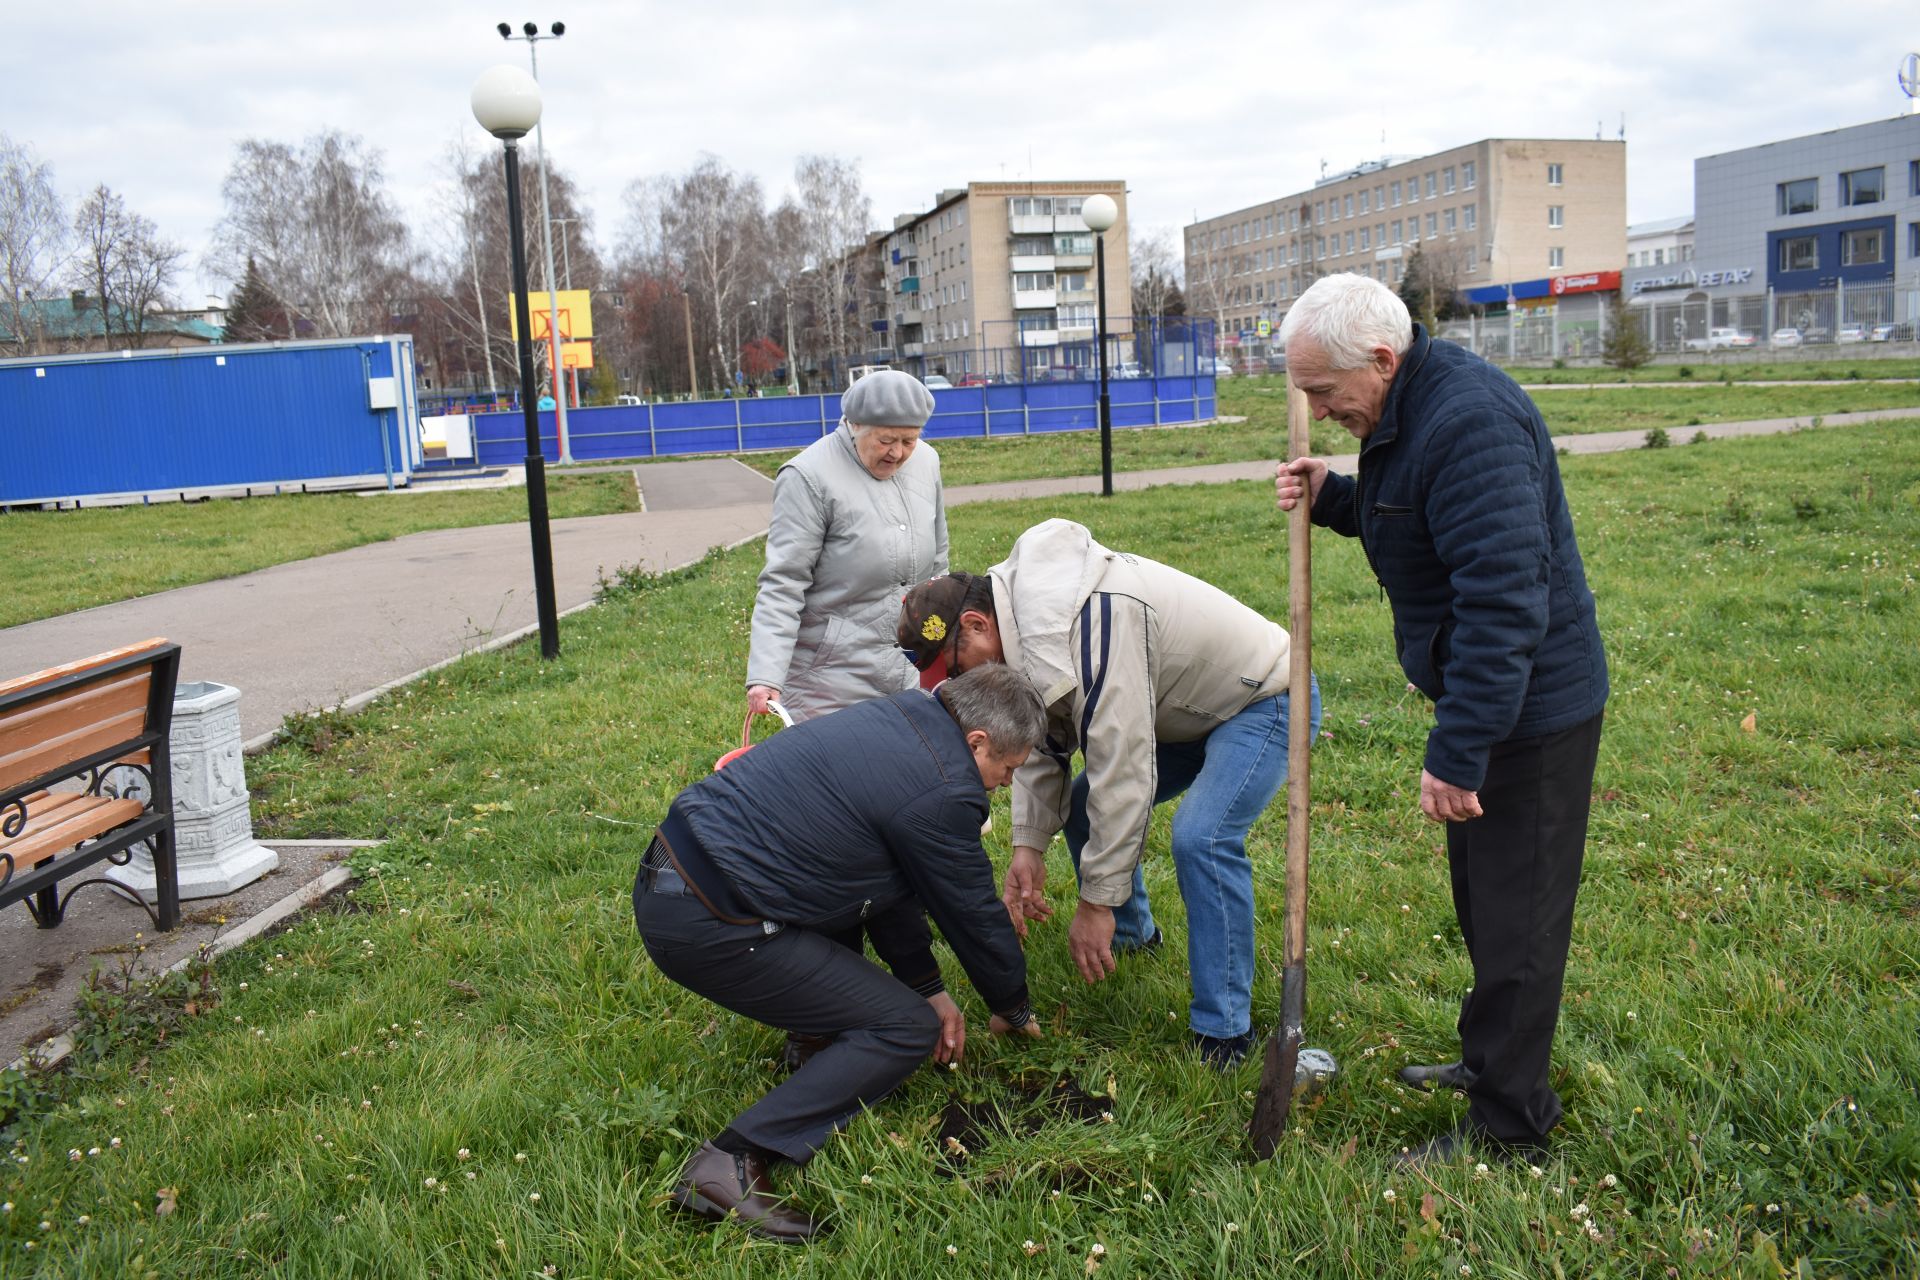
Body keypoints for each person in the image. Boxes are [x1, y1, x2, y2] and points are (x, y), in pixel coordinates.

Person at [1273, 273, 1608, 1163]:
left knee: (1519, 926)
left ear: (1381, 360)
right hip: (1489, 704)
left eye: (1322, 391)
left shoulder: (1468, 423)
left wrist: (1460, 751)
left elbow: (1504, 604)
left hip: (1526, 714)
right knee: (1484, 905)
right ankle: (1489, 1063)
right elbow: (1415, 515)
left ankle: (1511, 1126)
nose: (1315, 406)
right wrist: (1334, 495)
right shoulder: (1405, 411)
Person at [635, 664, 1046, 1243]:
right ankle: (729, 1163)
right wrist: (1013, 1004)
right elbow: (971, 910)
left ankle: (815, 1041)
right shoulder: (945, 788)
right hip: (712, 920)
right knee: (902, 1028)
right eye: (1007, 769)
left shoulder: (905, 715)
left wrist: (930, 985)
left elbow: (891, 884)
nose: (1005, 783)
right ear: (977, 742)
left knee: (884, 959)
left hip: (678, 871)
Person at [896, 521, 1320, 1068]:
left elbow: (1122, 768)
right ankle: (1135, 937)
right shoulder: (1028, 626)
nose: (962, 687)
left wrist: (1098, 900)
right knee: (1081, 813)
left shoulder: (1094, 617)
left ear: (977, 625)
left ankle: (1224, 1033)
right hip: (1183, 715)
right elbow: (1043, 741)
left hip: (1268, 697)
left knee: (1201, 838)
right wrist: (1027, 847)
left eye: (954, 669)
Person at [746, 369, 945, 722]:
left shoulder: (927, 462)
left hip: (910, 669)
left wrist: (942, 645)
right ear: (854, 425)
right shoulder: (808, 477)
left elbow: (939, 564)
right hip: (830, 678)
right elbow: (783, 583)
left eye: (909, 441)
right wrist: (765, 675)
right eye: (886, 440)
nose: (897, 453)